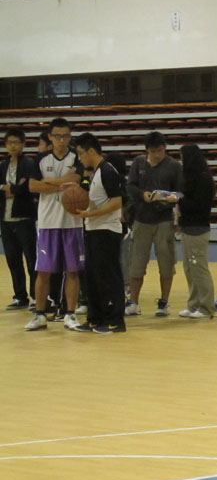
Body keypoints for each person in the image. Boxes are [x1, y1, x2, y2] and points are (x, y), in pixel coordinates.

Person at [25, 118, 84, 332]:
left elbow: (76, 180)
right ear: (50, 137)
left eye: (65, 136)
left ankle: (70, 313)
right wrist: (62, 183)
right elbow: (32, 186)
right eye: (57, 136)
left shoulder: (76, 156)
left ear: (70, 136)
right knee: (43, 271)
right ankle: (40, 314)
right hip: (47, 222)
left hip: (72, 222)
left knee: (72, 270)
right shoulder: (40, 159)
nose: (61, 140)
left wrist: (47, 182)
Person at [71, 133, 125, 335]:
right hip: (93, 229)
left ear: (91, 151)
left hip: (107, 231)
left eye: (81, 153)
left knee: (108, 277)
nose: (79, 158)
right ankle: (95, 318)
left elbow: (117, 202)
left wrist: (89, 214)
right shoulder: (95, 172)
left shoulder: (108, 171)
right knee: (92, 277)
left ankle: (115, 321)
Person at [125, 132, 182, 317]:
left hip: (164, 220)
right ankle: (133, 301)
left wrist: (172, 198)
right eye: (153, 151)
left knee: (166, 263)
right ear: (146, 150)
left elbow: (181, 191)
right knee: (137, 262)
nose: (157, 154)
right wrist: (143, 195)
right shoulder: (138, 163)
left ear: (165, 148)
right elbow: (130, 187)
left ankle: (164, 302)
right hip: (141, 219)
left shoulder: (174, 166)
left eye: (160, 150)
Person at [177, 144, 216, 319]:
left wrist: (178, 200)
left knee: (199, 268)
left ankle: (206, 307)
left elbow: (199, 205)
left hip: (198, 229)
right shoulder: (188, 178)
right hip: (187, 228)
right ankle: (193, 304)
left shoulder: (204, 179)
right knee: (189, 268)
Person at [2, 129, 38, 311]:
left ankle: (36, 296)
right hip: (6, 219)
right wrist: (7, 188)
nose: (13, 146)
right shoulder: (3, 165)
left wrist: (12, 189)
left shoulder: (29, 164)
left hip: (25, 218)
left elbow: (29, 187)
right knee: (12, 259)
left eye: (17, 142)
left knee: (31, 259)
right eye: (10, 142)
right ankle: (19, 296)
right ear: (5, 145)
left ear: (23, 144)